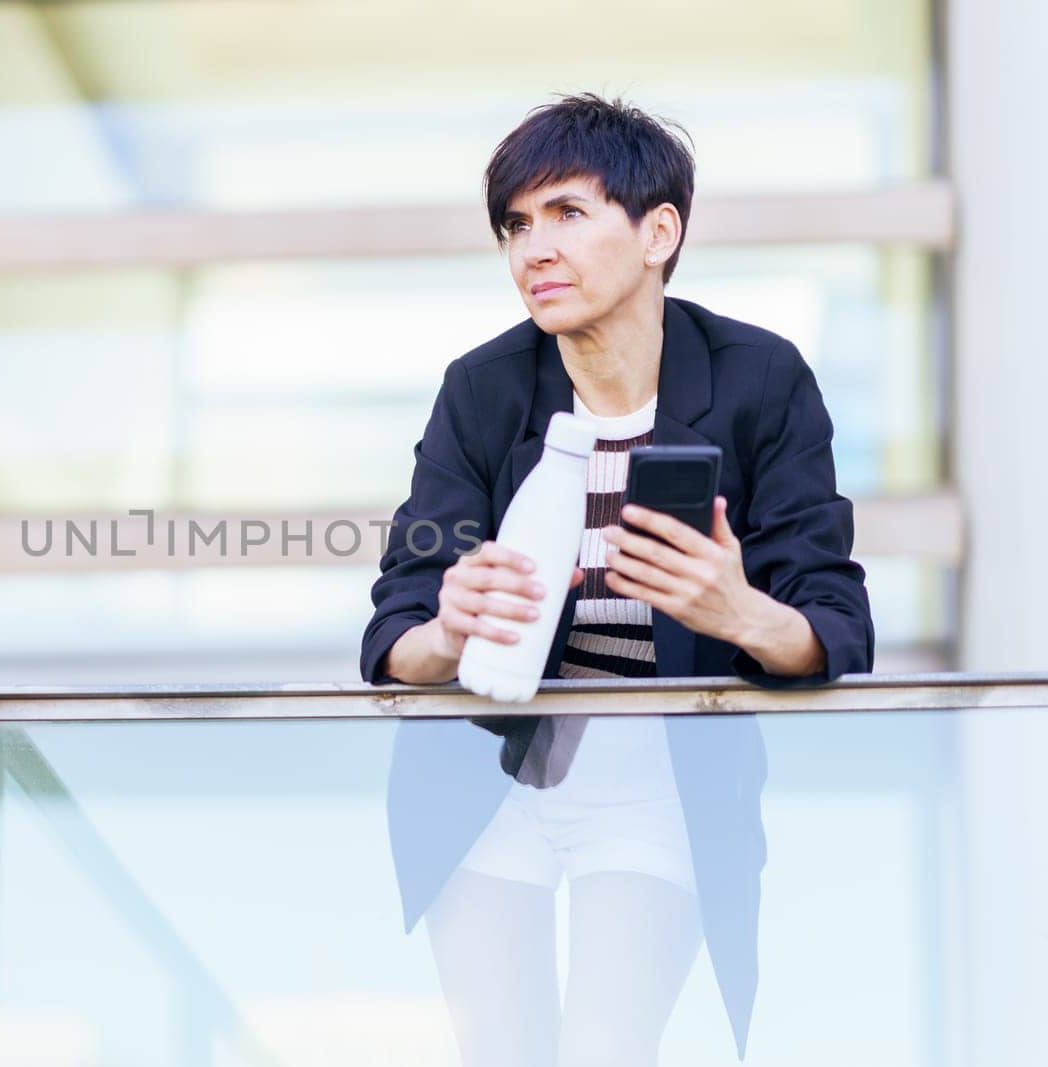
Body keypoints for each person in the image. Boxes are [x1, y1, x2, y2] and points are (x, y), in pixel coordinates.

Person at [361, 94, 874, 1066]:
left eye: (565, 213)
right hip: (481, 764)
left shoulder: (760, 380)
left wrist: (739, 612)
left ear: (657, 231)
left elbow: (832, 621)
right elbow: (396, 628)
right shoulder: (483, 387)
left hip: (657, 776)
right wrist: (447, 630)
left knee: (605, 1047)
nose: (531, 250)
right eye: (514, 225)